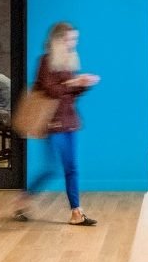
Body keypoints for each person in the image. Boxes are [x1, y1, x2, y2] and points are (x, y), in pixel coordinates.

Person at [14, 22, 99, 226]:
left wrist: (83, 85)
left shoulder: (68, 62)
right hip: (53, 123)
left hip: (70, 120)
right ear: (59, 40)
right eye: (70, 39)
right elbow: (50, 90)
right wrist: (73, 83)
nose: (73, 43)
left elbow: (69, 95)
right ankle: (23, 200)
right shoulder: (45, 61)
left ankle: (76, 212)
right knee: (51, 168)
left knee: (72, 168)